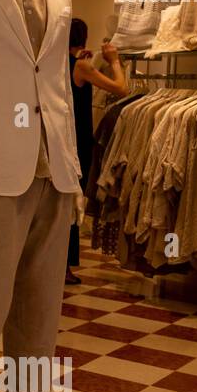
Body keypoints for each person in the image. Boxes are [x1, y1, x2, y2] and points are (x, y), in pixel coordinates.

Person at [67, 18, 128, 283]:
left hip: (63, 139)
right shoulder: (80, 66)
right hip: (78, 142)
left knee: (64, 201)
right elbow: (121, 88)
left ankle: (60, 264)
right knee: (73, 202)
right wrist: (114, 60)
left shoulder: (59, 64)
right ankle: (65, 267)